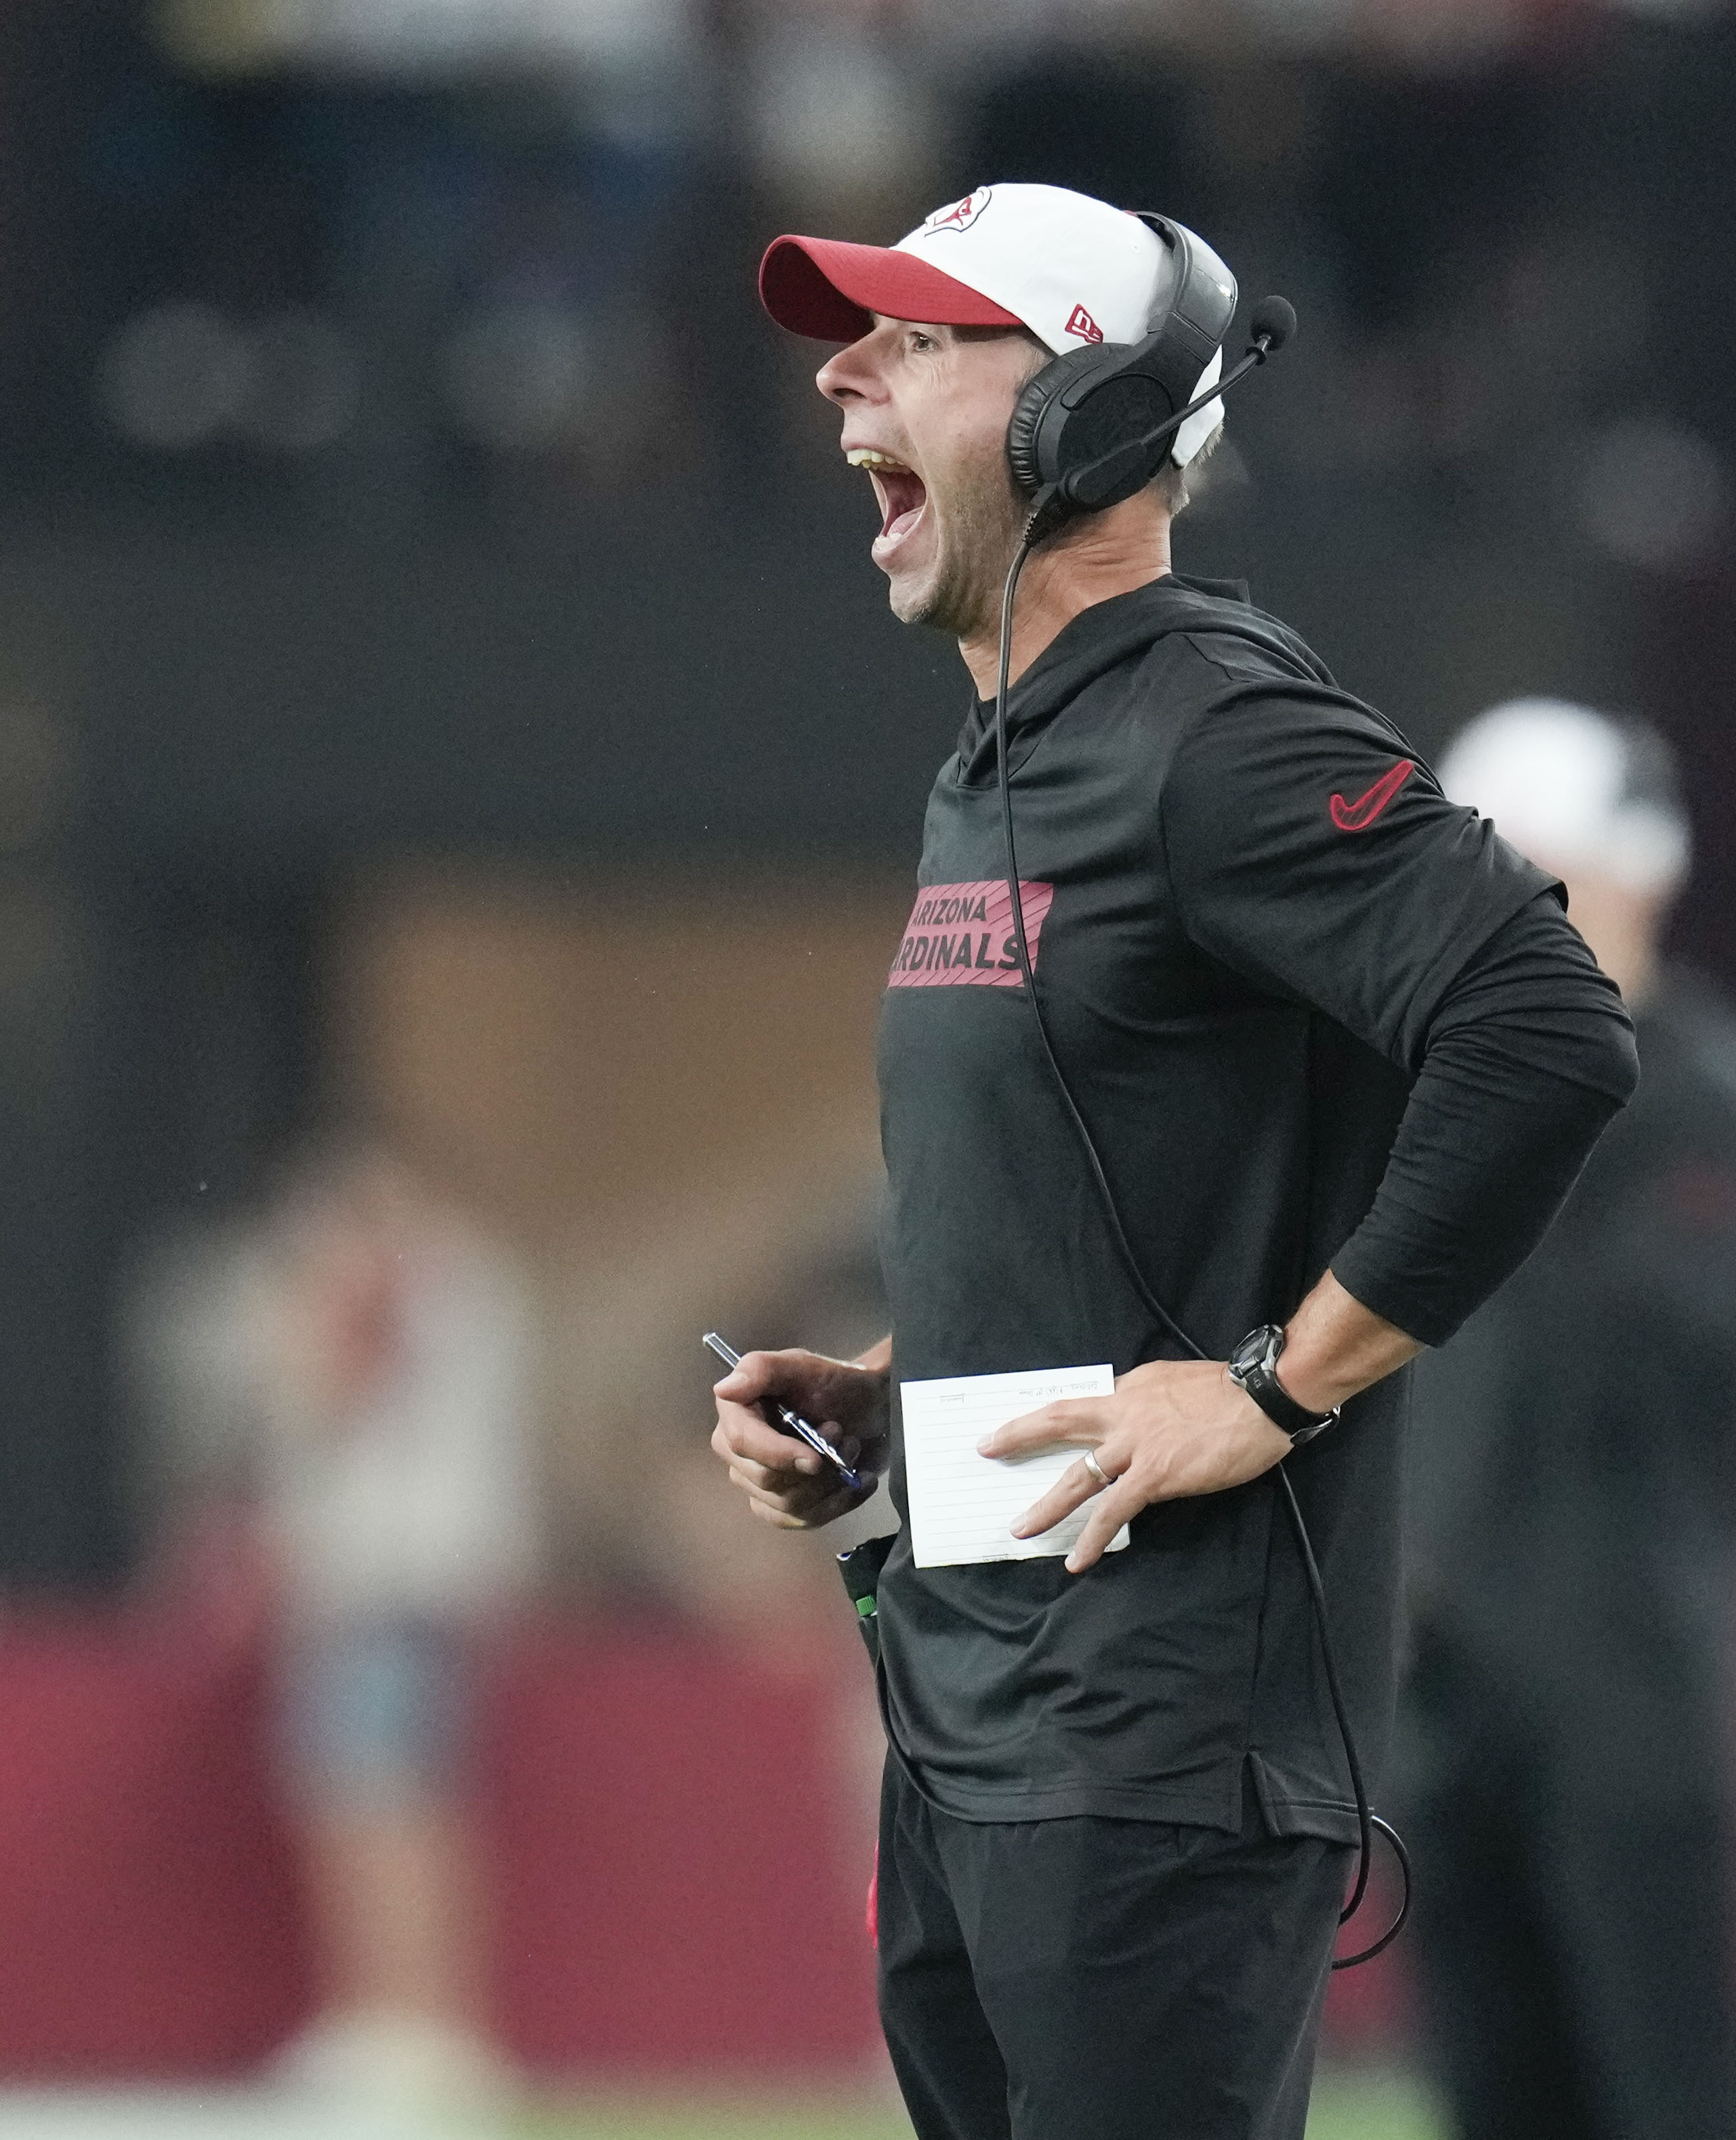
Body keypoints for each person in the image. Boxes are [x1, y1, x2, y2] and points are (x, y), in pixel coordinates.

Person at [707, 182, 1638, 2138]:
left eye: (925, 340)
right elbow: (1130, 1202)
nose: (845, 376)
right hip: (969, 1722)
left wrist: (1271, 1392)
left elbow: (1543, 1029)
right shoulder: (1005, 766)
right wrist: (900, 1397)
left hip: (1148, 1746)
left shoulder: (1212, 729)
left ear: (1089, 421)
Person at [1395, 700, 1736, 2140]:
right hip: (1450, 1669)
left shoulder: (1701, 1092)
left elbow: (1647, 1325)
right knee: (1493, 2083)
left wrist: (1565, 1044)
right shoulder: (1428, 1087)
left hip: (1628, 1679)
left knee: (1661, 2081)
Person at [125, 1144, 536, 2134]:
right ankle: (395, 2019)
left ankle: (416, 2025)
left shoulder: (419, 1288)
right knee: (371, 1799)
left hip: (389, 1581)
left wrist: (313, 1313)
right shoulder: (465, 1289)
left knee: (379, 1804)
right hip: (383, 1580)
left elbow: (327, 1396)